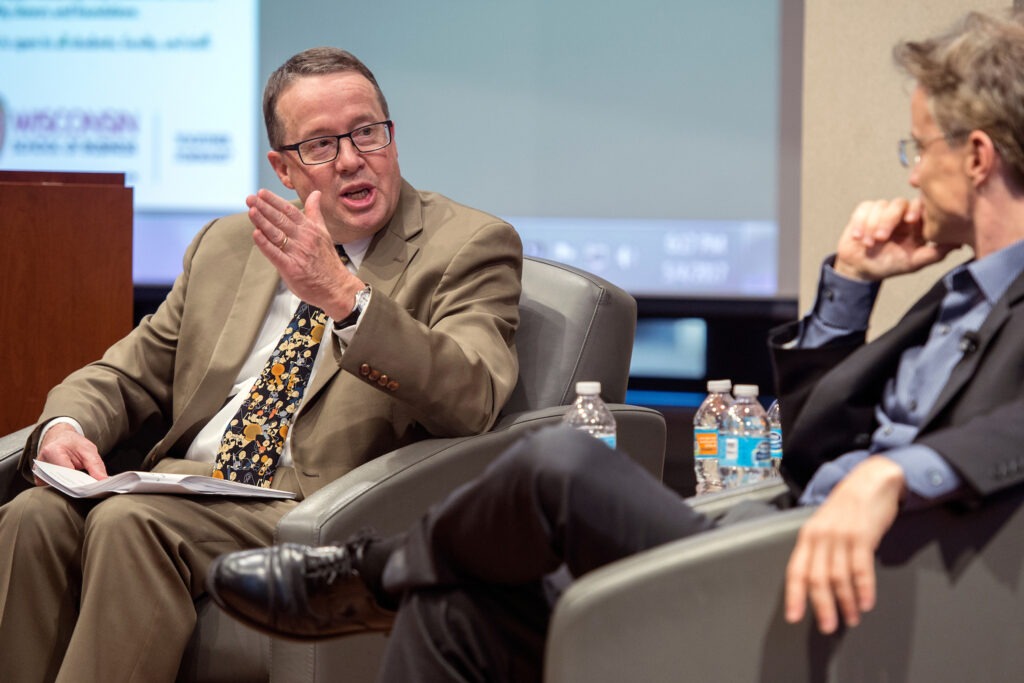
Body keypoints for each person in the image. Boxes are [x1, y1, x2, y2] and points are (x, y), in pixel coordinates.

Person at [207, 9, 1024, 681]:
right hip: (771, 531)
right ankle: (395, 580)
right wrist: (850, 286)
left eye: (921, 148)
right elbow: (809, 449)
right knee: (451, 609)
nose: (911, 175)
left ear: (978, 156)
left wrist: (896, 473)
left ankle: (370, 572)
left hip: (838, 578)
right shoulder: (958, 295)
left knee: (556, 464)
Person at [0, 47, 522, 682]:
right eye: (321, 145)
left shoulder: (469, 244)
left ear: (391, 135)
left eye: (367, 132)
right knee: (33, 516)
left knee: (131, 522)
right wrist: (64, 429)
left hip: (322, 507)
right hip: (185, 488)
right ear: (283, 168)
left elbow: (473, 392)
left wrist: (347, 299)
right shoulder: (227, 245)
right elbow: (124, 373)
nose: (353, 159)